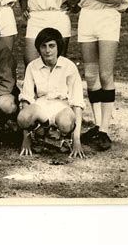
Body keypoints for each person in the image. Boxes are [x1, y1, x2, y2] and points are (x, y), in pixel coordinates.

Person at [70, 0, 128, 151]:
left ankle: (105, 130)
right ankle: (97, 125)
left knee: (106, 74)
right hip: (87, 17)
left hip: (108, 19)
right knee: (91, 74)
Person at [17, 28, 85, 158]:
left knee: (65, 123)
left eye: (52, 46)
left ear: (58, 47)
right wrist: (26, 140)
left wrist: (77, 141)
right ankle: (39, 134)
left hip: (62, 107)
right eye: (44, 46)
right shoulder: (32, 66)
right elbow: (26, 99)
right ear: (39, 48)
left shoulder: (69, 66)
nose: (47, 50)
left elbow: (77, 103)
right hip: (42, 107)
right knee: (23, 118)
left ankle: (63, 138)